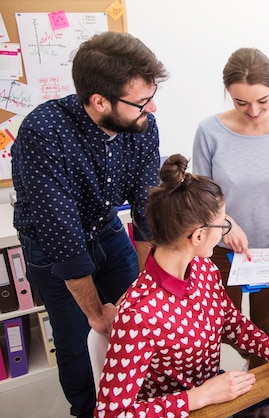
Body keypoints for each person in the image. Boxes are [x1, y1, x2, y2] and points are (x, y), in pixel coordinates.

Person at [95, 154, 269, 416]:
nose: (224, 231)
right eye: (222, 224)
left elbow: (232, 322)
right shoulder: (138, 315)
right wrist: (198, 397)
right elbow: (110, 413)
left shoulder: (204, 269)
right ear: (198, 235)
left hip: (216, 399)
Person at [11, 32, 168, 418]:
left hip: (107, 230)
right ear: (99, 101)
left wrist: (145, 282)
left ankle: (140, 405)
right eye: (142, 100)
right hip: (52, 249)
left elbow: (146, 208)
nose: (153, 108)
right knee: (78, 342)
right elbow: (62, 240)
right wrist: (97, 314)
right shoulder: (43, 133)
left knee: (137, 323)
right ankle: (87, 411)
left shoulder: (142, 124)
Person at [193, 48, 269, 368]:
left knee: (262, 330)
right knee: (219, 329)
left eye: (263, 100)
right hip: (217, 248)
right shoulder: (209, 131)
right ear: (228, 93)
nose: (253, 111)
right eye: (241, 102)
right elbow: (203, 195)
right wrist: (227, 224)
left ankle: (258, 398)